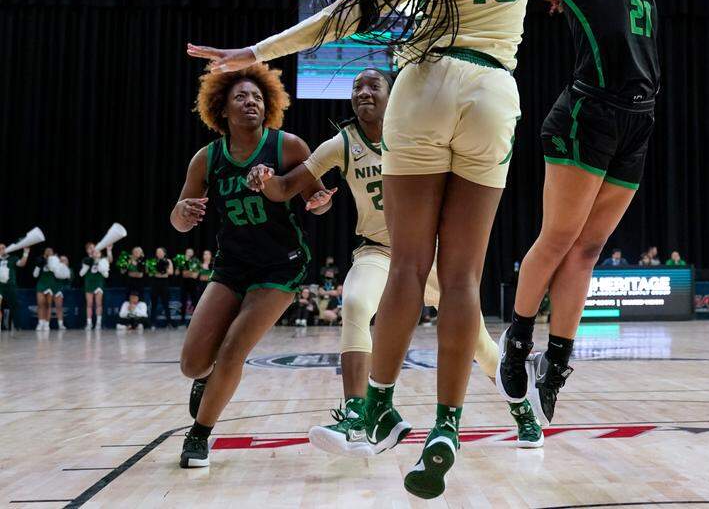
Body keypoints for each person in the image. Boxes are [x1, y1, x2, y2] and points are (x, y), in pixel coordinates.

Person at [187, 0, 621, 497]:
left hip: (419, 92)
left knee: (406, 265)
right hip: (491, 92)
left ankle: (380, 408)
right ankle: (448, 424)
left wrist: (256, 52)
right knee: (462, 278)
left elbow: (340, 20)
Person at [496, 0, 687, 434]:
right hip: (587, 113)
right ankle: (517, 340)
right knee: (558, 239)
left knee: (589, 250)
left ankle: (558, 360)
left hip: (639, 118)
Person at [247, 68, 543, 455]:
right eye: (356, 87)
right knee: (353, 302)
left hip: (432, 255)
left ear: (396, 94)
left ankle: (522, 410)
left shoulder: (421, 133)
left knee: (479, 344)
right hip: (381, 251)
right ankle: (357, 416)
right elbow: (286, 187)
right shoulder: (343, 143)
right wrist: (265, 178)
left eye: (374, 86)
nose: (363, 92)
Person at [172, 64, 330, 470]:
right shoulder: (206, 159)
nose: (250, 102)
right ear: (221, 109)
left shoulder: (288, 146)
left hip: (280, 267)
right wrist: (183, 213)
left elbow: (319, 198)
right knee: (192, 363)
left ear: (269, 105)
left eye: (258, 97)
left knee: (232, 351)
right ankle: (205, 382)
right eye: (241, 97)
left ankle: (199, 435)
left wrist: (318, 202)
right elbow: (177, 216)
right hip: (232, 265)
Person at [80, 243, 112, 329]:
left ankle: (98, 323)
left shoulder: (101, 259)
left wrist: (109, 250)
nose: (93, 249)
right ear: (87, 251)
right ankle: (89, 323)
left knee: (98, 303)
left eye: (94, 247)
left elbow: (110, 260)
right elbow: (81, 273)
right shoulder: (86, 260)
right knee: (89, 304)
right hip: (89, 283)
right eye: (90, 248)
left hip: (98, 283)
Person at [0, 245, 31, 330]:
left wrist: (26, 253)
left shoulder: (13, 258)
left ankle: (17, 325)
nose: (2, 249)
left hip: (10, 285)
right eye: (0, 248)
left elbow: (22, 264)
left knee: (14, 305)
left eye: (3, 248)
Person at [150, 247, 175, 328]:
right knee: (154, 304)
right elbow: (150, 272)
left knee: (165, 303)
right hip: (155, 282)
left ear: (164, 253)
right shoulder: (153, 261)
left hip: (164, 282)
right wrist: (157, 268)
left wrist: (164, 268)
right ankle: (152, 323)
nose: (159, 253)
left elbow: (171, 272)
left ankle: (169, 323)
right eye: (157, 252)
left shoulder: (168, 261)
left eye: (160, 252)